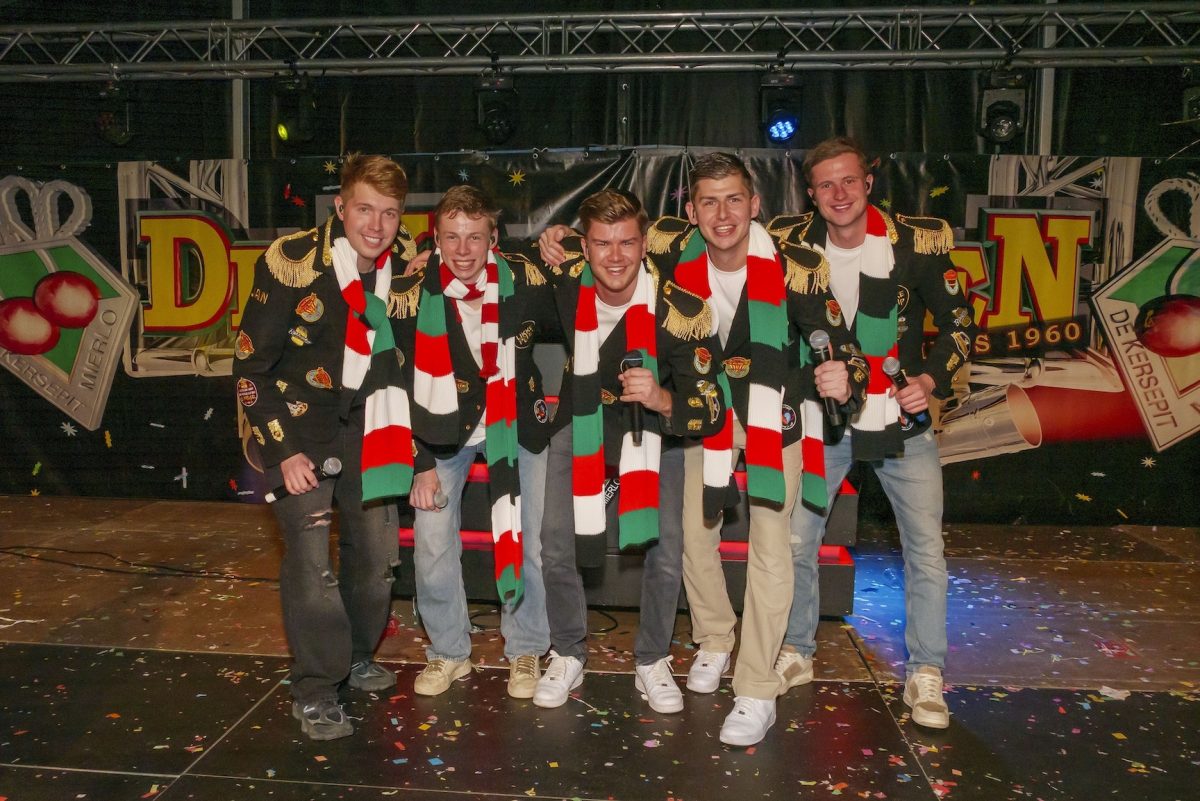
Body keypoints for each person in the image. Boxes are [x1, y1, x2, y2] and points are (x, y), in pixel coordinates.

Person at [540, 156, 865, 746]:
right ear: (690, 211)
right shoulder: (667, 246)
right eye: (709, 202)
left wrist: (847, 379)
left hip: (772, 413)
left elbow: (843, 346)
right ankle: (715, 637)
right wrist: (557, 235)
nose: (723, 214)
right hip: (701, 414)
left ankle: (756, 688)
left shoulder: (798, 266)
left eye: (734, 199)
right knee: (692, 536)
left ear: (755, 204)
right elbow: (608, 246)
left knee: (772, 548)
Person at [776, 136, 976, 730]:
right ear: (810, 194)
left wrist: (931, 380)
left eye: (849, 180)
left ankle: (926, 671)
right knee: (796, 542)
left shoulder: (916, 242)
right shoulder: (790, 244)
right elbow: (710, 240)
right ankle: (797, 650)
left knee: (925, 550)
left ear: (868, 183)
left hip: (901, 419)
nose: (839, 193)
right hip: (823, 415)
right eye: (825, 184)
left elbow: (960, 320)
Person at [234, 154, 414, 741]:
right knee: (313, 568)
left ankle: (356, 655)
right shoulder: (291, 262)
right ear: (340, 206)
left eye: (390, 213)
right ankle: (315, 690)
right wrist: (283, 451)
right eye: (365, 209)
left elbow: (479, 257)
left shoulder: (404, 266)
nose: (377, 225)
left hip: (370, 429)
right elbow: (249, 369)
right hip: (296, 431)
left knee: (377, 562)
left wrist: (553, 244)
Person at [529, 189, 726, 715]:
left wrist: (663, 398)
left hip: (655, 429)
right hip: (581, 421)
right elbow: (487, 262)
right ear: (584, 247)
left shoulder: (681, 311)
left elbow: (712, 407)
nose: (615, 257)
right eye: (602, 243)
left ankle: (652, 659)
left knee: (666, 550)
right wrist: (427, 259)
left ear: (644, 244)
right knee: (555, 541)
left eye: (627, 243)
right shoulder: (564, 278)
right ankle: (568, 651)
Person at [388, 185, 556, 699]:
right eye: (451, 238)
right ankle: (448, 652)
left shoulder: (525, 280)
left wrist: (559, 238)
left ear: (493, 238)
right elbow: (395, 383)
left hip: (517, 426)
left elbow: (583, 299)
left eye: (475, 237)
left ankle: (526, 647)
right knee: (432, 546)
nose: (463, 251)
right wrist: (418, 460)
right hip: (439, 434)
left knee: (526, 543)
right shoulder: (409, 294)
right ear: (435, 240)